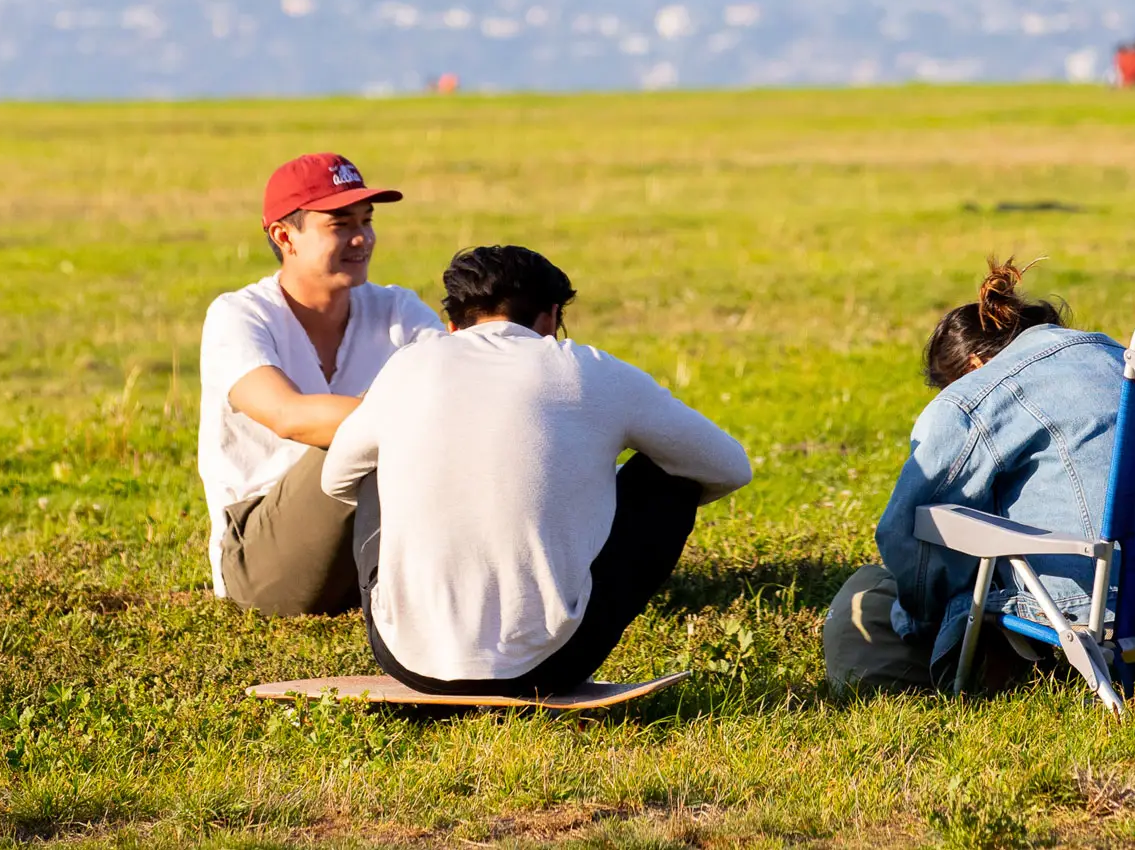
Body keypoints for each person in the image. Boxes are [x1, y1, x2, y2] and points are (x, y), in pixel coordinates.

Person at [324, 245, 751, 695]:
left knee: (371, 468)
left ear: (451, 324)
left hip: (405, 661)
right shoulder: (589, 369)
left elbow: (337, 477)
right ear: (550, 319)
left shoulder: (409, 365)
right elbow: (728, 466)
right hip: (550, 667)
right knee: (671, 480)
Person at [823, 258, 1126, 692]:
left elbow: (911, 534)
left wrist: (918, 621)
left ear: (973, 364)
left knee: (869, 590)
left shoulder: (977, 396)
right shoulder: (1122, 358)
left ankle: (953, 682)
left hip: (1087, 599)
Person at [197, 152, 443, 616]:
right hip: (262, 555)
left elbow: (462, 391)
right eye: (340, 223)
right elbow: (286, 415)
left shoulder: (398, 309)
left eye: (367, 221)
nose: (362, 237)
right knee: (366, 438)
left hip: (371, 549)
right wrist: (412, 418)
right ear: (285, 236)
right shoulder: (238, 315)